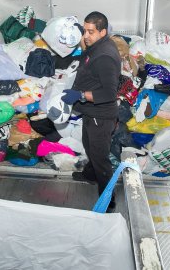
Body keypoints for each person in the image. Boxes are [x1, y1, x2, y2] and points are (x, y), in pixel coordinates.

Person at [61, 11, 121, 211]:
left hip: (101, 115)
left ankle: (108, 200)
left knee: (100, 158)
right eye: (84, 30)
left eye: (91, 32)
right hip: (91, 113)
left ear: (103, 32)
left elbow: (109, 93)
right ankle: (90, 174)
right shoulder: (96, 46)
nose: (86, 36)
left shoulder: (105, 56)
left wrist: (80, 95)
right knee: (89, 145)